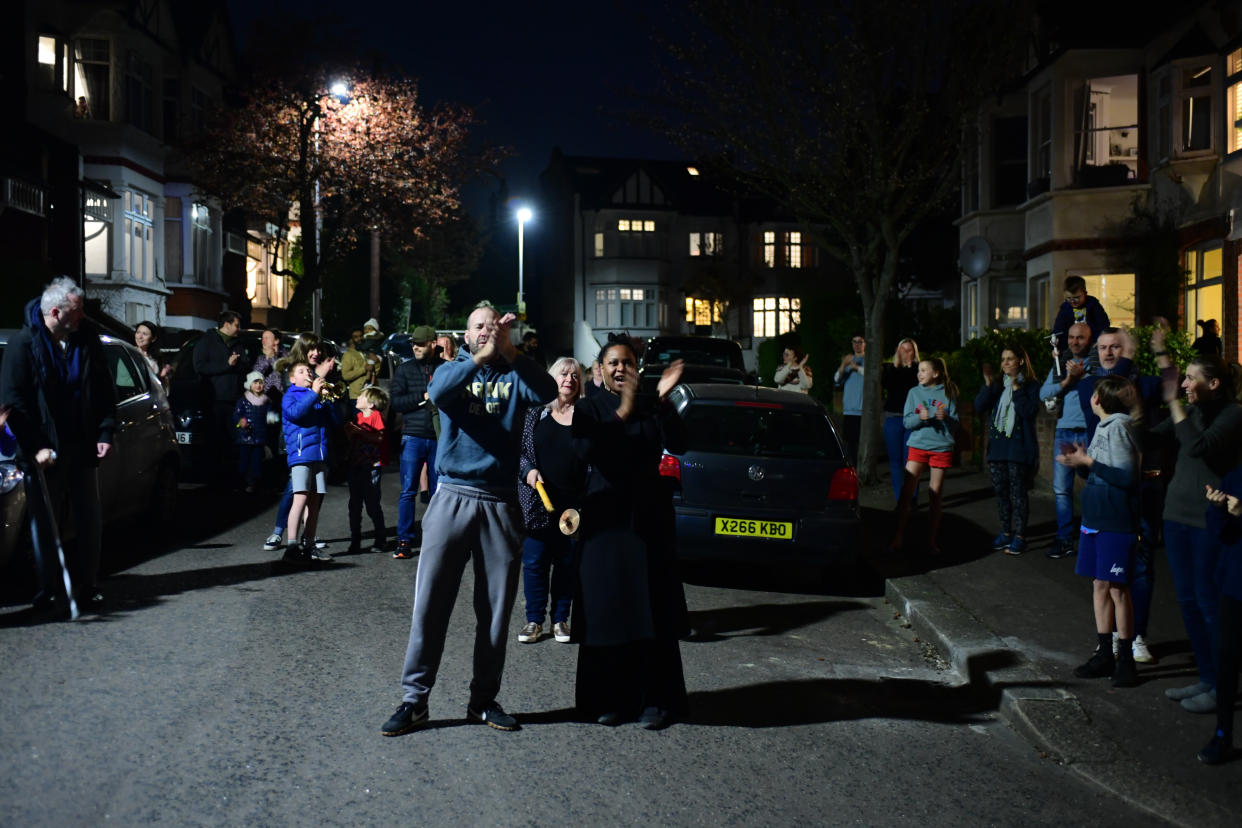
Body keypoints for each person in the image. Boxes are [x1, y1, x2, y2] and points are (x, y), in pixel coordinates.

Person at [381, 304, 557, 737]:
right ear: (465, 334)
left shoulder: (517, 373)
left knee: (495, 614)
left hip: (500, 502)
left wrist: (510, 352)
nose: (486, 332)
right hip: (453, 496)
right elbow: (440, 394)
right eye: (478, 327)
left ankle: (482, 701)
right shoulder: (452, 368)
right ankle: (414, 701)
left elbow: (549, 390)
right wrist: (479, 356)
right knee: (430, 606)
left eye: (492, 327)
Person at [571, 334, 689, 728]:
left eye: (627, 362)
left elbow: (681, 443)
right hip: (605, 521)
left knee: (651, 611)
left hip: (647, 520)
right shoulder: (589, 407)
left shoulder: (652, 405)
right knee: (608, 612)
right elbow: (588, 450)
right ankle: (610, 699)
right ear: (601, 372)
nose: (620, 368)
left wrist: (664, 400)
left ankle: (657, 701)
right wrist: (624, 407)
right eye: (613, 363)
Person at [0, 277, 117, 612]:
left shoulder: (86, 339)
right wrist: (35, 446)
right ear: (55, 312)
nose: (82, 318)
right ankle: (48, 587)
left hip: (80, 445)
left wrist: (105, 431)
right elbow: (13, 401)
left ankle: (88, 584)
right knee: (44, 521)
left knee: (88, 518)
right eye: (76, 312)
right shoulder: (23, 345)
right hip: (43, 451)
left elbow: (103, 388)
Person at [1150, 327, 1242, 715]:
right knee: (1187, 601)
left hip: (1209, 521)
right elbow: (1153, 434)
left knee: (1208, 604)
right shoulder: (1191, 410)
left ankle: (1223, 687)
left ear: (1214, 383)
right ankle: (1206, 678)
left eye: (1192, 378)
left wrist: (1175, 404)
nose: (1185, 384)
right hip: (1175, 516)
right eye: (1184, 377)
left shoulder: (1234, 414)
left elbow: (1197, 446)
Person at [1057, 375, 1142, 688]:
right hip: (1094, 519)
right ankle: (1105, 653)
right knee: (1099, 585)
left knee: (1118, 588)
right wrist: (1078, 462)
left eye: (1093, 393)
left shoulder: (1118, 426)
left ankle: (1127, 661)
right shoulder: (1103, 427)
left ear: (1099, 400)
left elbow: (1126, 477)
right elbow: (1095, 470)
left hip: (1115, 521)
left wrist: (1088, 460)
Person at [516, 357, 587, 645]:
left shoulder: (586, 415)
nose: (568, 379)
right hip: (538, 503)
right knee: (534, 563)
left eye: (574, 375)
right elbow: (518, 452)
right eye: (563, 374)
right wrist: (528, 470)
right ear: (551, 379)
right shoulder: (535, 414)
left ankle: (561, 620)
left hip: (573, 506)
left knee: (567, 563)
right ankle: (534, 621)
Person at [262, 334, 337, 552]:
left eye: (318, 349)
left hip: (317, 445)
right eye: (311, 349)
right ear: (303, 350)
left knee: (313, 495)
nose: (316, 353)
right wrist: (314, 384)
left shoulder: (315, 372)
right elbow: (295, 407)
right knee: (296, 490)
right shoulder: (294, 373)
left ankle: (308, 537)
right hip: (297, 442)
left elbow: (329, 414)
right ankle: (280, 532)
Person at [975, 347, 1040, 555]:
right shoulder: (997, 386)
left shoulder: (1030, 385)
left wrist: (1017, 388)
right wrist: (987, 385)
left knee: (1018, 493)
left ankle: (1020, 536)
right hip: (998, 448)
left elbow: (1028, 412)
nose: (1005, 363)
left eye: (1010, 359)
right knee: (1001, 493)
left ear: (1020, 361)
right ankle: (1005, 532)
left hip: (1018, 448)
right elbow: (978, 406)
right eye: (1003, 359)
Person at [891, 357, 958, 555]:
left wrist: (946, 418)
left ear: (935, 373)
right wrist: (921, 417)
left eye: (923, 370)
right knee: (906, 491)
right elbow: (907, 422)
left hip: (941, 446)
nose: (919, 374)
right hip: (918, 445)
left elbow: (956, 424)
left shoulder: (948, 392)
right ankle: (898, 537)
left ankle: (931, 541)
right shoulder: (914, 393)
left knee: (934, 494)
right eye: (918, 370)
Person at [1040, 322, 1094, 559]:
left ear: (1089, 340)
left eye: (1080, 338)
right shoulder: (1060, 366)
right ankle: (1064, 540)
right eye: (1071, 337)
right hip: (1064, 430)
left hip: (1088, 431)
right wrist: (1066, 382)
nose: (1074, 342)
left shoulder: (1097, 363)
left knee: (1092, 487)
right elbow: (1043, 394)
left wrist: (1082, 378)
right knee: (1062, 489)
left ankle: (1092, 539)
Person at [280, 360, 340, 564]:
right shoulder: (290, 396)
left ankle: (309, 544)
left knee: (314, 503)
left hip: (319, 454)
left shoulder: (315, 396)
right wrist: (314, 393)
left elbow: (335, 421)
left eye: (308, 370)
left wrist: (326, 400)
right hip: (300, 455)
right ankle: (291, 546)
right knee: (300, 499)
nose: (307, 373)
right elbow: (295, 413)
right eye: (301, 371)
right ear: (292, 378)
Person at [1201, 465, 1242, 763]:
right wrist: (1217, 509)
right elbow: (1222, 535)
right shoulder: (1237, 475)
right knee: (1225, 661)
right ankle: (1222, 735)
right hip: (1233, 583)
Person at [389, 324, 441, 559]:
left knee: (439, 494)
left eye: (420, 344)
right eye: (414, 344)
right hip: (413, 436)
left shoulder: (444, 368)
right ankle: (404, 540)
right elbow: (397, 403)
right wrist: (423, 397)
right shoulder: (405, 369)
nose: (415, 347)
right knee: (408, 491)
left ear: (433, 343)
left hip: (439, 438)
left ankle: (437, 539)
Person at [193, 310, 246, 486]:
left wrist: (239, 365)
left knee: (234, 440)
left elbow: (245, 366)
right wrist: (226, 365)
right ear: (227, 324)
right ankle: (213, 478)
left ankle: (232, 477)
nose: (239, 329)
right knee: (214, 439)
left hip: (234, 400)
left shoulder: (238, 344)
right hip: (214, 399)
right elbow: (200, 366)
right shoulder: (206, 341)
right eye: (237, 325)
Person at [345, 385, 390, 554]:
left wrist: (360, 432)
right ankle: (355, 540)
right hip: (355, 464)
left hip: (371, 466)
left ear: (371, 404)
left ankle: (381, 539)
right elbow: (353, 440)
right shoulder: (357, 416)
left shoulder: (376, 416)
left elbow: (379, 437)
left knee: (372, 504)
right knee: (354, 505)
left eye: (362, 396)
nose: (358, 397)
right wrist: (350, 432)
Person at [882, 338, 920, 502]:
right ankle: (901, 498)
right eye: (902, 349)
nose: (906, 353)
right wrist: (897, 364)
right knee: (895, 461)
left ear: (914, 352)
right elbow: (886, 384)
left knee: (911, 460)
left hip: (912, 419)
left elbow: (916, 386)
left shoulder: (919, 370)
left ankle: (912, 497)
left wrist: (910, 366)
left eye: (909, 349)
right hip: (893, 418)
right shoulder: (890, 369)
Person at [233, 371, 275, 493]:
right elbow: (236, 415)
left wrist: (273, 419)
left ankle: (253, 483)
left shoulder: (267, 401)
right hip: (245, 437)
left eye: (260, 382)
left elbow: (271, 418)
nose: (258, 385)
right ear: (249, 385)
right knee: (244, 461)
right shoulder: (243, 401)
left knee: (256, 462)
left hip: (260, 437)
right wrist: (241, 421)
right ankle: (242, 482)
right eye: (255, 382)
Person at [1052, 275, 1110, 352]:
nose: (1072, 301)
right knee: (1061, 361)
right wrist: (1056, 347)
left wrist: (1099, 340)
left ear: (1085, 293)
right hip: (1071, 347)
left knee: (1094, 360)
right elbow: (1058, 329)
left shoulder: (1093, 305)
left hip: (1092, 345)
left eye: (1076, 297)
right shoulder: (1065, 309)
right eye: (1068, 298)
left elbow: (1103, 324)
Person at [834, 333, 866, 465]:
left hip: (863, 410)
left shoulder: (868, 359)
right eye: (854, 342)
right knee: (850, 444)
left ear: (865, 344)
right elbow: (836, 380)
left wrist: (855, 367)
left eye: (860, 342)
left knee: (862, 443)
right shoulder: (847, 360)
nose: (857, 345)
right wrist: (843, 365)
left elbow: (872, 374)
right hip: (849, 410)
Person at [133, 321, 171, 391]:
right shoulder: (129, 353)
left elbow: (162, 387)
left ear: (153, 339)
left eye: (145, 334)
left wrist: (162, 376)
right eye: (138, 332)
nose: (140, 337)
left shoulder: (156, 358)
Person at [340, 327, 373, 402]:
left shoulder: (364, 352)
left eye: (361, 336)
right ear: (351, 340)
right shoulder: (348, 355)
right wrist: (364, 369)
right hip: (357, 396)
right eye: (356, 337)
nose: (359, 339)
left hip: (369, 394)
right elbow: (345, 375)